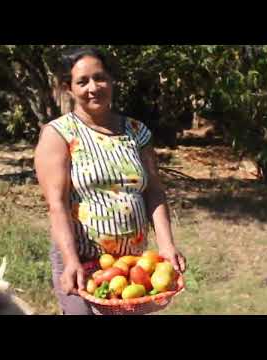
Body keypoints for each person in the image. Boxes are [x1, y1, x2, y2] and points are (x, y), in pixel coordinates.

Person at [35, 47, 186, 315]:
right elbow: (56, 205)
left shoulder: (137, 132)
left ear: (111, 80)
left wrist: (166, 246)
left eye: (100, 77)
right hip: (81, 260)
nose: (93, 87)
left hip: (131, 263)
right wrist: (71, 261)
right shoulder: (58, 134)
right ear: (69, 88)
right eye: (82, 81)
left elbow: (154, 192)